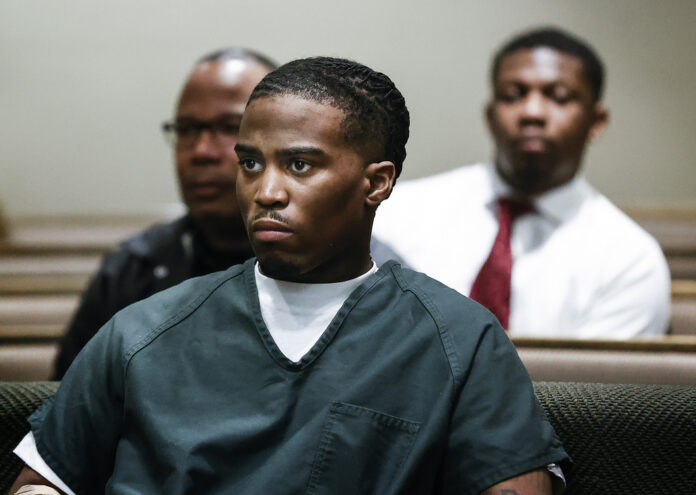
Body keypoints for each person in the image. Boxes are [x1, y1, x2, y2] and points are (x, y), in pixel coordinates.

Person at [10, 57, 568, 495]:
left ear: (377, 182)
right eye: (251, 163)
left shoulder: (459, 341)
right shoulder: (143, 331)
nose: (266, 192)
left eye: (299, 165)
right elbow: (42, 482)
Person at [52, 48, 403, 378]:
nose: (201, 151)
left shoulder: (376, 281)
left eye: (229, 127)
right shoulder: (133, 271)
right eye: (187, 130)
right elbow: (68, 397)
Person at [374, 27, 670, 339]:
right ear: (490, 116)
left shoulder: (629, 260)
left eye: (559, 97)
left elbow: (594, 373)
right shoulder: (396, 213)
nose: (532, 112)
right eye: (513, 96)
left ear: (596, 121)